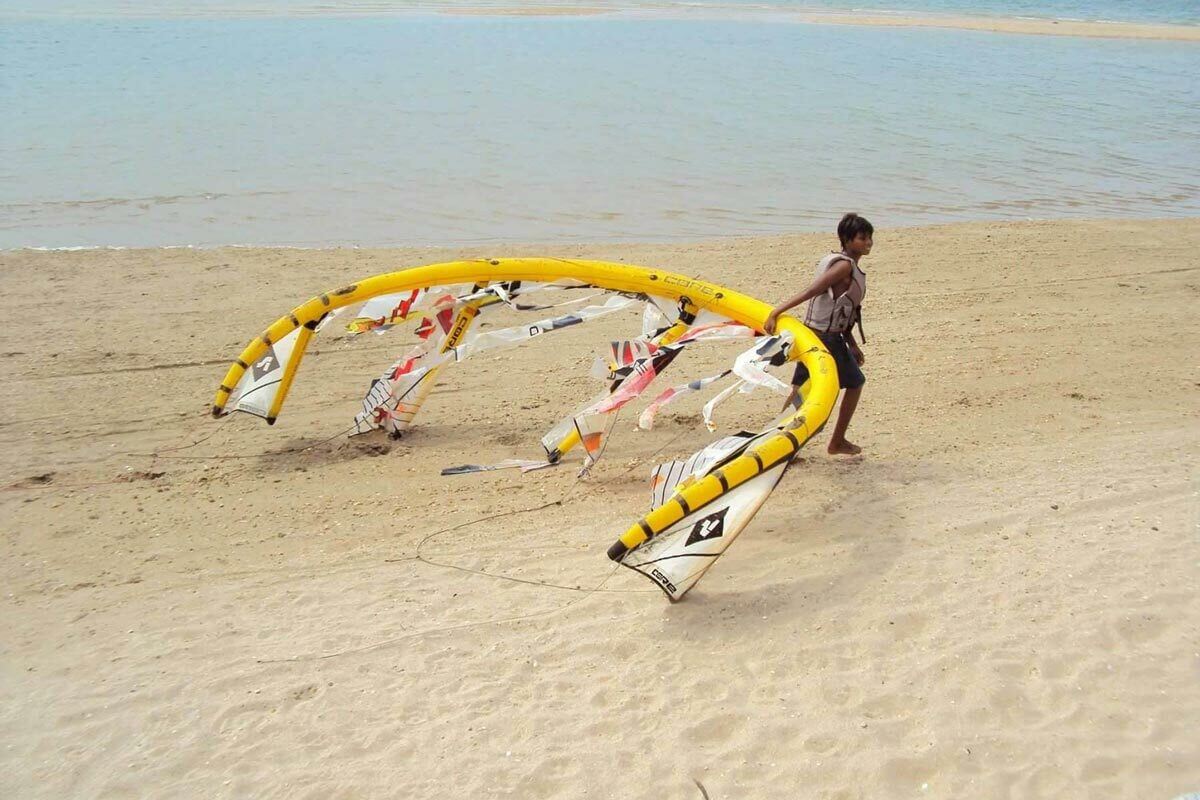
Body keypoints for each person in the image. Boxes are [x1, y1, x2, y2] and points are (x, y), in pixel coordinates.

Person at [764, 213, 872, 456]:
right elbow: (812, 291)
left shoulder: (837, 261)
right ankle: (837, 441)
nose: (868, 242)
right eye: (862, 238)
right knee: (855, 383)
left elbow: (842, 309)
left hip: (812, 333)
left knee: (800, 389)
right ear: (847, 239)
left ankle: (779, 446)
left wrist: (852, 343)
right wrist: (776, 311)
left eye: (869, 237)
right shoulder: (844, 266)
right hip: (827, 339)